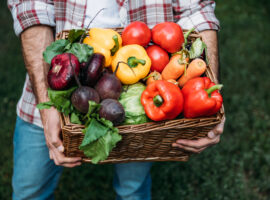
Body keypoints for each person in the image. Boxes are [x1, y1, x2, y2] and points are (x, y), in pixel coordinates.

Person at [8, 0, 225, 199]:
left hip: (145, 111)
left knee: (133, 190)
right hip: (55, 86)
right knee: (29, 190)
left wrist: (211, 107)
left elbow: (197, 10)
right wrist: (47, 106)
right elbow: (31, 6)